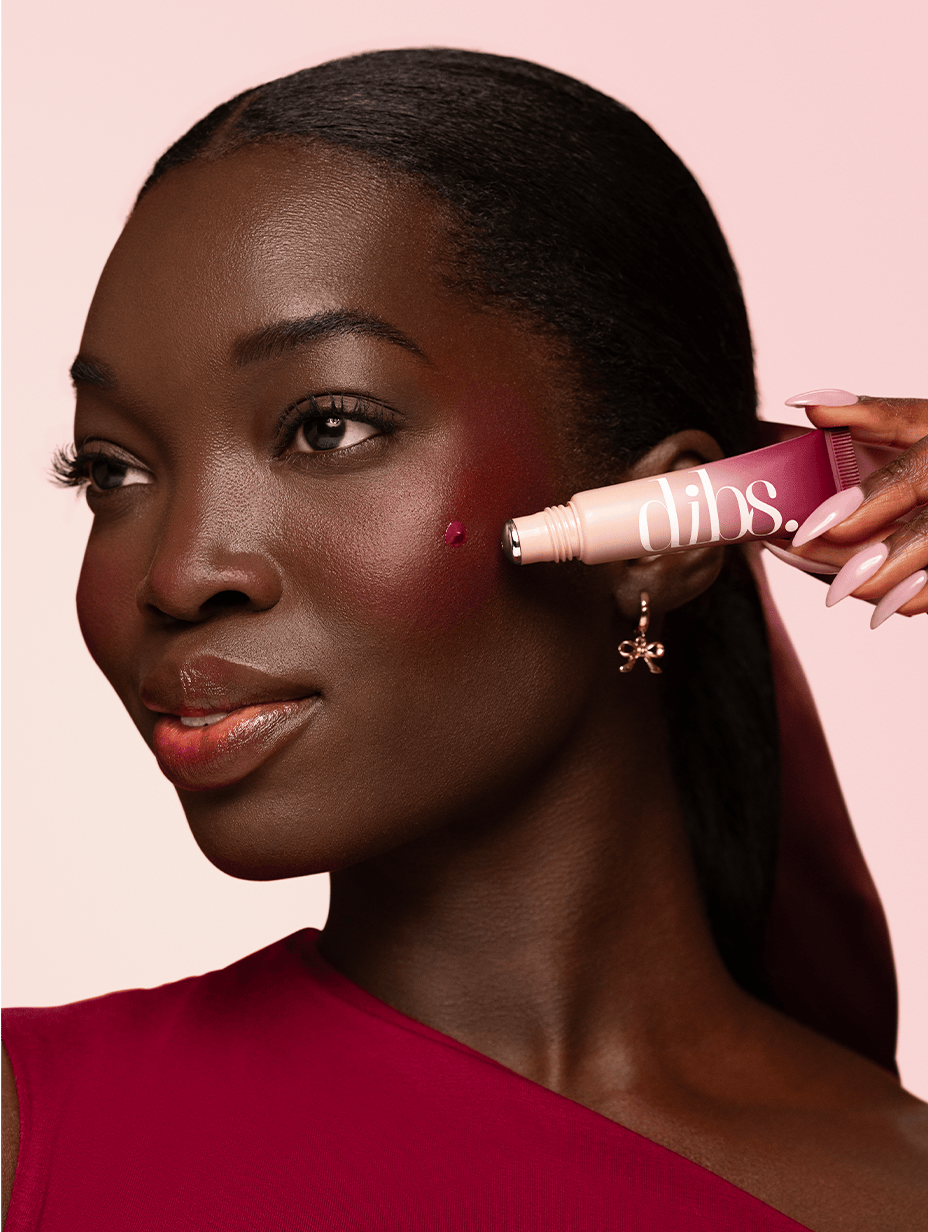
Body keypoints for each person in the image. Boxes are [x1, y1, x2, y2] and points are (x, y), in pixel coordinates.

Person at [2, 48, 926, 1231]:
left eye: (326, 427)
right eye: (111, 468)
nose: (178, 575)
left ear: (658, 536)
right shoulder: (30, 1133)